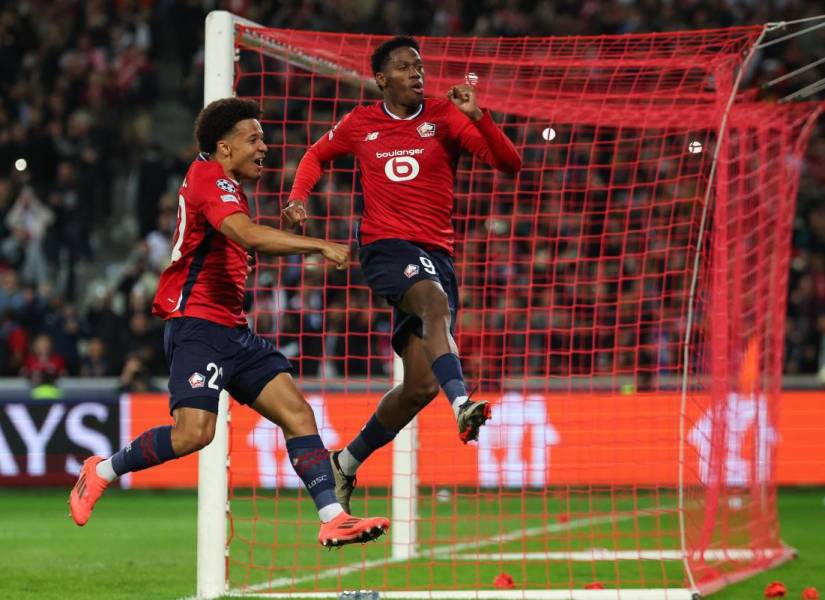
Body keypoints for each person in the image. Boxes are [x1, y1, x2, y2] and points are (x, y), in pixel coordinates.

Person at [69, 98, 389, 548]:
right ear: (223, 147)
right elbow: (244, 234)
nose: (265, 146)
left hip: (232, 330)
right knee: (193, 434)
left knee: (297, 413)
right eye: (253, 139)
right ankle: (100, 470)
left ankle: (333, 517)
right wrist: (317, 245)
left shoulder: (227, 184)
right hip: (197, 324)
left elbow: (244, 236)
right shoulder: (208, 178)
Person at [284, 36, 522, 511]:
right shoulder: (360, 123)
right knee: (432, 304)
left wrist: (479, 116)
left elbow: (508, 164)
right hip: (384, 247)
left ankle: (345, 463)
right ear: (381, 79)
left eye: (419, 66)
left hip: (438, 254)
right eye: (404, 67)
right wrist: (297, 196)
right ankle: (462, 405)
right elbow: (315, 155)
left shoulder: (444, 116)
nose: (417, 73)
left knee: (418, 385)